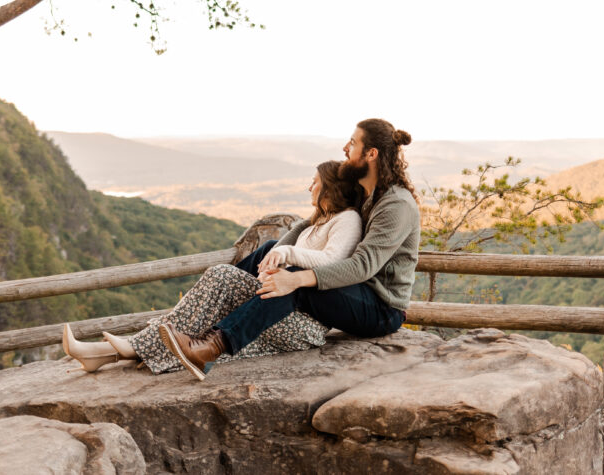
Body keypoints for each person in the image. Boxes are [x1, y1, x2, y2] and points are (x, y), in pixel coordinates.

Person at [157, 118, 420, 381]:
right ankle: (211, 322)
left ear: (371, 154)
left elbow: (363, 266)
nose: (345, 148)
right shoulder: (366, 193)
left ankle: (212, 348)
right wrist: (277, 254)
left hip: (381, 307)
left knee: (296, 281)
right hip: (355, 289)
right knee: (271, 248)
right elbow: (310, 222)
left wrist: (294, 278)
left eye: (352, 143)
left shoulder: (395, 205)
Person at [61, 159, 363, 375]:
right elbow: (281, 252)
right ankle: (104, 353)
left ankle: (125, 347)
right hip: (279, 308)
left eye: (316, 182)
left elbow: (334, 262)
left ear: (330, 190)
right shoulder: (314, 223)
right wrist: (278, 255)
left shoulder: (348, 219)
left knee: (222, 276)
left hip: (303, 323)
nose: (310, 186)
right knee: (216, 295)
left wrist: (289, 255)